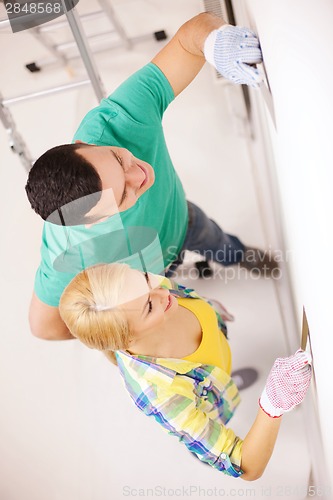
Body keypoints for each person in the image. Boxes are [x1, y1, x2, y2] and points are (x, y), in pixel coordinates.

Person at [25, 12, 278, 341]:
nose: (140, 175)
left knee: (221, 242)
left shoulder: (115, 122)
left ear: (83, 144)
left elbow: (190, 38)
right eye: (123, 195)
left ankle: (240, 255)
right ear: (91, 223)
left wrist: (216, 43)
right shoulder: (71, 252)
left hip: (184, 218)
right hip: (154, 278)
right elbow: (44, 327)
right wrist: (123, 324)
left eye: (119, 158)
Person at [59, 262, 312, 480]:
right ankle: (205, 442)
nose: (161, 290)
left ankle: (221, 385)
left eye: (144, 276)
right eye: (149, 307)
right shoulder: (165, 398)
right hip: (206, 411)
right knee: (209, 436)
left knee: (219, 381)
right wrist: (272, 404)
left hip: (215, 372)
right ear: (126, 342)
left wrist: (211, 312)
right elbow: (247, 467)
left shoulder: (148, 293)